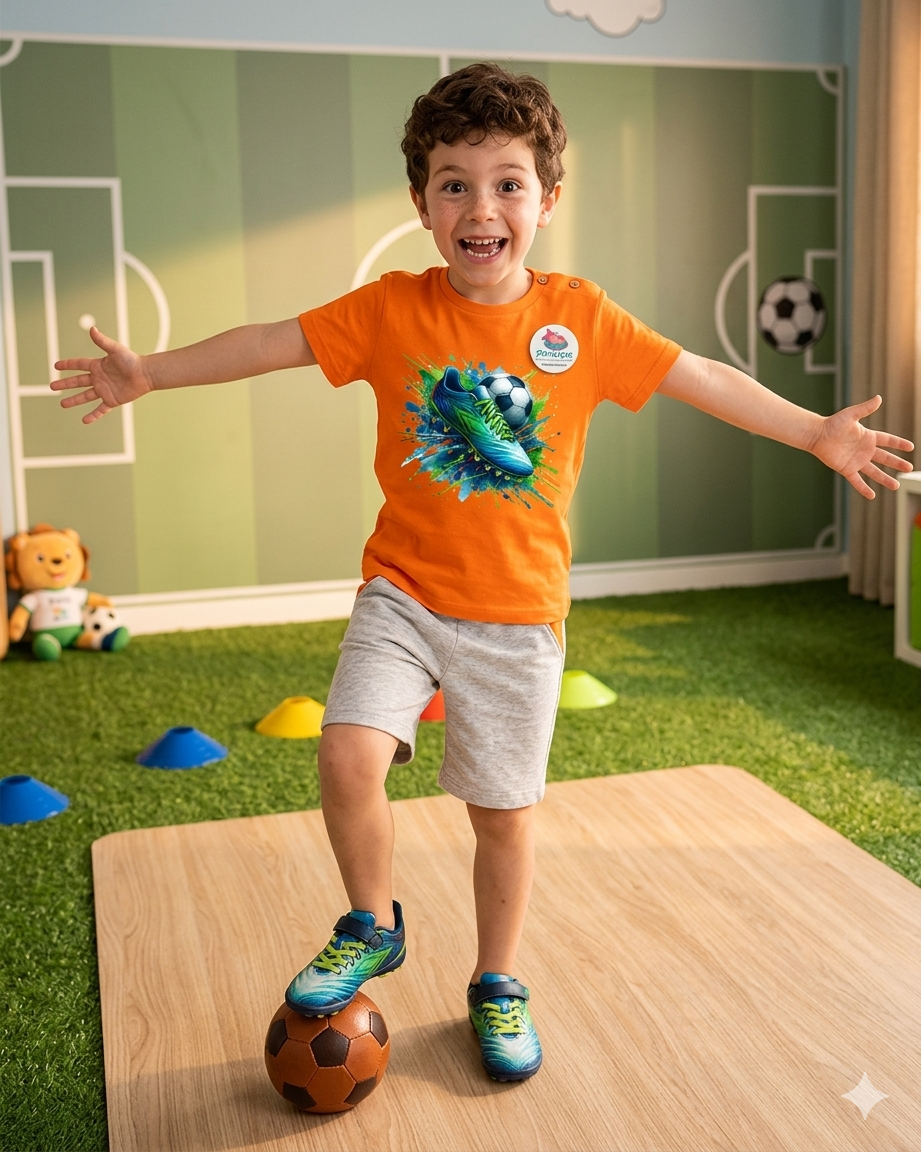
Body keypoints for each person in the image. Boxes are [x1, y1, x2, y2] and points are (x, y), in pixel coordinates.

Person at [52, 63, 913, 1083]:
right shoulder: (389, 310)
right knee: (345, 755)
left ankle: (497, 982)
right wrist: (151, 371)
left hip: (516, 617)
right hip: (403, 594)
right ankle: (371, 921)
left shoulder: (580, 319)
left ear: (548, 199)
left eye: (507, 182)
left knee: (502, 821)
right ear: (422, 203)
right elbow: (270, 342)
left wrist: (814, 430)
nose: (480, 207)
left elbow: (701, 375)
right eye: (454, 183)